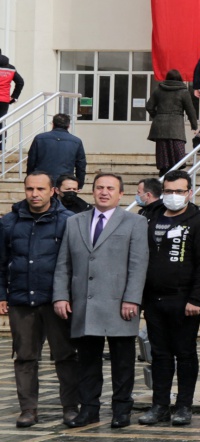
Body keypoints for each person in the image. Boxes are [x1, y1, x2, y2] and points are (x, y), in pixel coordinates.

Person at [52, 173, 148, 428]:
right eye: (99, 187)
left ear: (120, 194)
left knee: (122, 361)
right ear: (92, 191)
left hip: (120, 304)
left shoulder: (135, 222)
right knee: (87, 361)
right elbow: (63, 264)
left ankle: (121, 410)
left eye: (110, 188)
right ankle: (89, 409)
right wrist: (60, 296)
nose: (104, 192)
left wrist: (132, 299)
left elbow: (138, 265)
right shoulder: (74, 221)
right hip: (85, 303)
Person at [0, 172, 76, 427]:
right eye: (30, 189)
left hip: (57, 301)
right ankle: (28, 410)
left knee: (65, 355)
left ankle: (70, 407)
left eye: (40, 189)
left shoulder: (68, 220)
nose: (35, 194)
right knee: (24, 357)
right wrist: (2, 295)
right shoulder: (9, 222)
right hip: (21, 299)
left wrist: (69, 296)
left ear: (52, 191)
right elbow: (1, 262)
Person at [139, 171, 200, 427]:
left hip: (184, 301)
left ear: (189, 193)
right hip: (154, 299)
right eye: (169, 191)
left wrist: (196, 298)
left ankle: (183, 406)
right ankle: (160, 405)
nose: (173, 196)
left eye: (179, 191)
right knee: (159, 355)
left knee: (185, 353)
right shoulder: (150, 217)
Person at [145, 70, 198, 174]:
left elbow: (149, 106)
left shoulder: (158, 90)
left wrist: (157, 116)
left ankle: (163, 177)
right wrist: (194, 126)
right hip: (176, 129)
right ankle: (175, 177)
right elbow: (190, 110)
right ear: (179, 79)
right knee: (178, 158)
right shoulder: (183, 92)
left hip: (160, 129)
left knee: (163, 159)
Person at [28, 114, 86, 190]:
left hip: (42, 182)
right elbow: (81, 166)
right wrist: (79, 184)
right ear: (68, 126)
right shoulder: (76, 141)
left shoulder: (39, 138)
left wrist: (30, 178)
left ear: (53, 124)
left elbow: (31, 162)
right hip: (65, 183)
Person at [0, 53, 24, 126]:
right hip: (4, 100)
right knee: (1, 122)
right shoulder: (11, 68)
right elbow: (20, 82)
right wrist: (14, 96)